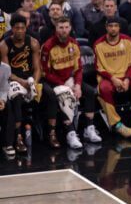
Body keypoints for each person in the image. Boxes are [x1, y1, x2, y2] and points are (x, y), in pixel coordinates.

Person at [41, 17, 102, 148]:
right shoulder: (48, 46)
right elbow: (45, 73)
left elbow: (79, 68)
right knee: (65, 95)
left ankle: (89, 129)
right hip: (54, 82)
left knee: (90, 92)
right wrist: (63, 84)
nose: (64, 30)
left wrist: (78, 85)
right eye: (61, 27)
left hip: (70, 79)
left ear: (70, 28)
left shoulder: (74, 44)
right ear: (56, 29)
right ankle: (71, 133)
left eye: (66, 27)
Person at [94, 17, 131, 138]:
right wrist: (113, 79)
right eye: (110, 26)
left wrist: (127, 80)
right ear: (106, 27)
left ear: (119, 27)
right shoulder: (98, 44)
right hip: (108, 78)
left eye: (115, 26)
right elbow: (98, 68)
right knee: (104, 89)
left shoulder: (128, 41)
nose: (113, 29)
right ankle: (117, 125)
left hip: (127, 76)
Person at [0, 14, 42, 153]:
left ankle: (53, 133)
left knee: (49, 95)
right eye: (16, 28)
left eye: (22, 28)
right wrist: (21, 81)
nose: (19, 30)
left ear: (26, 28)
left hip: (29, 79)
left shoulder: (33, 43)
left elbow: (37, 69)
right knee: (16, 99)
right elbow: (6, 72)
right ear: (12, 29)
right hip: (11, 80)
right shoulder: (4, 45)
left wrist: (34, 83)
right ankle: (18, 137)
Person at [0, 60, 15, 158]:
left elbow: (4, 89)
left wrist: (2, 101)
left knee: (9, 105)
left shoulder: (6, 68)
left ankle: (7, 144)